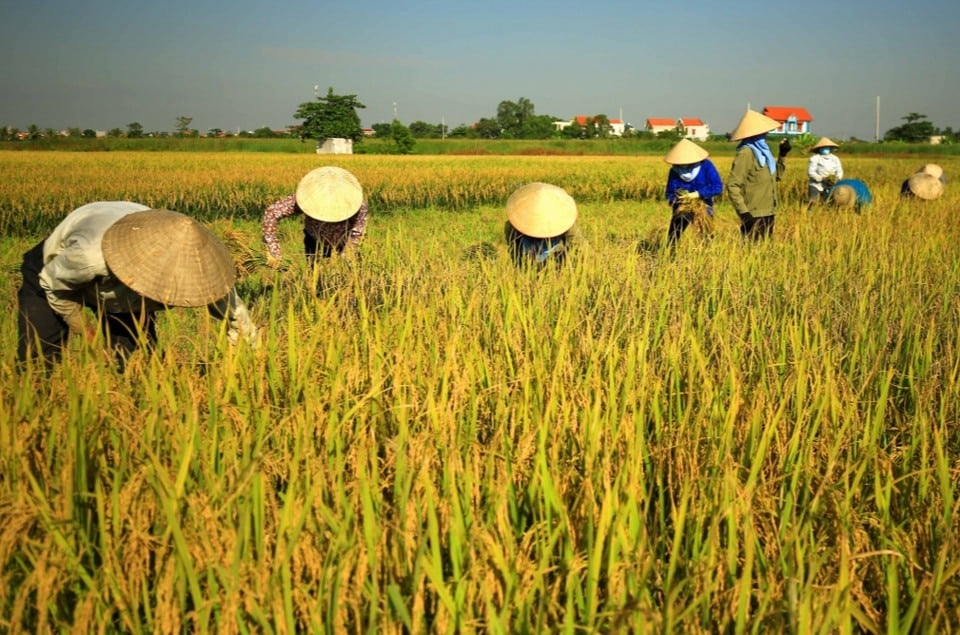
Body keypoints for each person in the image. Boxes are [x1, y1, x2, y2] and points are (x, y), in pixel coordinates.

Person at [17, 202, 258, 369]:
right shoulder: (89, 258)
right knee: (39, 355)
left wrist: (247, 367)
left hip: (120, 283)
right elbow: (54, 286)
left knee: (137, 364)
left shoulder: (201, 267)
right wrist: (86, 331)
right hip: (55, 272)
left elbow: (239, 318)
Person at [262, 166, 369, 270]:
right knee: (315, 275)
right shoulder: (305, 198)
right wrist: (273, 249)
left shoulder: (358, 204)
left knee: (350, 274)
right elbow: (272, 213)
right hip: (314, 240)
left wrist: (349, 255)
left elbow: (357, 232)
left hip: (344, 241)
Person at [726, 109, 780, 240]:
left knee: (766, 251)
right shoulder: (746, 153)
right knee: (751, 249)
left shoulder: (764, 154)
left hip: (768, 210)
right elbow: (733, 185)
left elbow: (776, 177)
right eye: (763, 133)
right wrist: (744, 213)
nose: (766, 135)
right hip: (753, 212)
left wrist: (783, 156)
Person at [504, 182, 587, 267]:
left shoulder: (566, 225)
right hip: (529, 263)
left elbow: (582, 250)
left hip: (560, 264)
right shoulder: (513, 226)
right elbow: (515, 254)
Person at [663, 138, 723, 247]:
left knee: (707, 236)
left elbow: (717, 187)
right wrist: (678, 199)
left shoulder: (706, 166)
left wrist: (697, 194)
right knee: (674, 236)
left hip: (703, 207)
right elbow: (669, 192)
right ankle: (669, 256)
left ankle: (708, 257)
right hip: (682, 208)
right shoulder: (675, 170)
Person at [806, 137, 843, 209]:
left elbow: (839, 170)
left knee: (827, 203)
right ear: (820, 149)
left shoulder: (835, 159)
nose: (825, 149)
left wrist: (836, 179)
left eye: (827, 147)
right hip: (816, 184)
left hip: (830, 184)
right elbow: (810, 172)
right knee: (813, 202)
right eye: (823, 147)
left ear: (830, 148)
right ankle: (810, 215)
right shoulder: (815, 158)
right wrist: (822, 178)